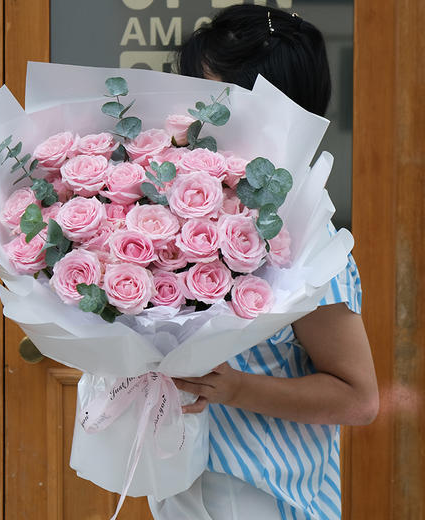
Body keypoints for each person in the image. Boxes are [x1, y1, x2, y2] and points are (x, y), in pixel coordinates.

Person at [148, 5, 379, 520]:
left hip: (269, 494)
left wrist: (235, 389)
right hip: (178, 477)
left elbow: (358, 399)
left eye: (209, 98)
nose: (191, 115)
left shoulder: (307, 239)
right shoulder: (168, 216)